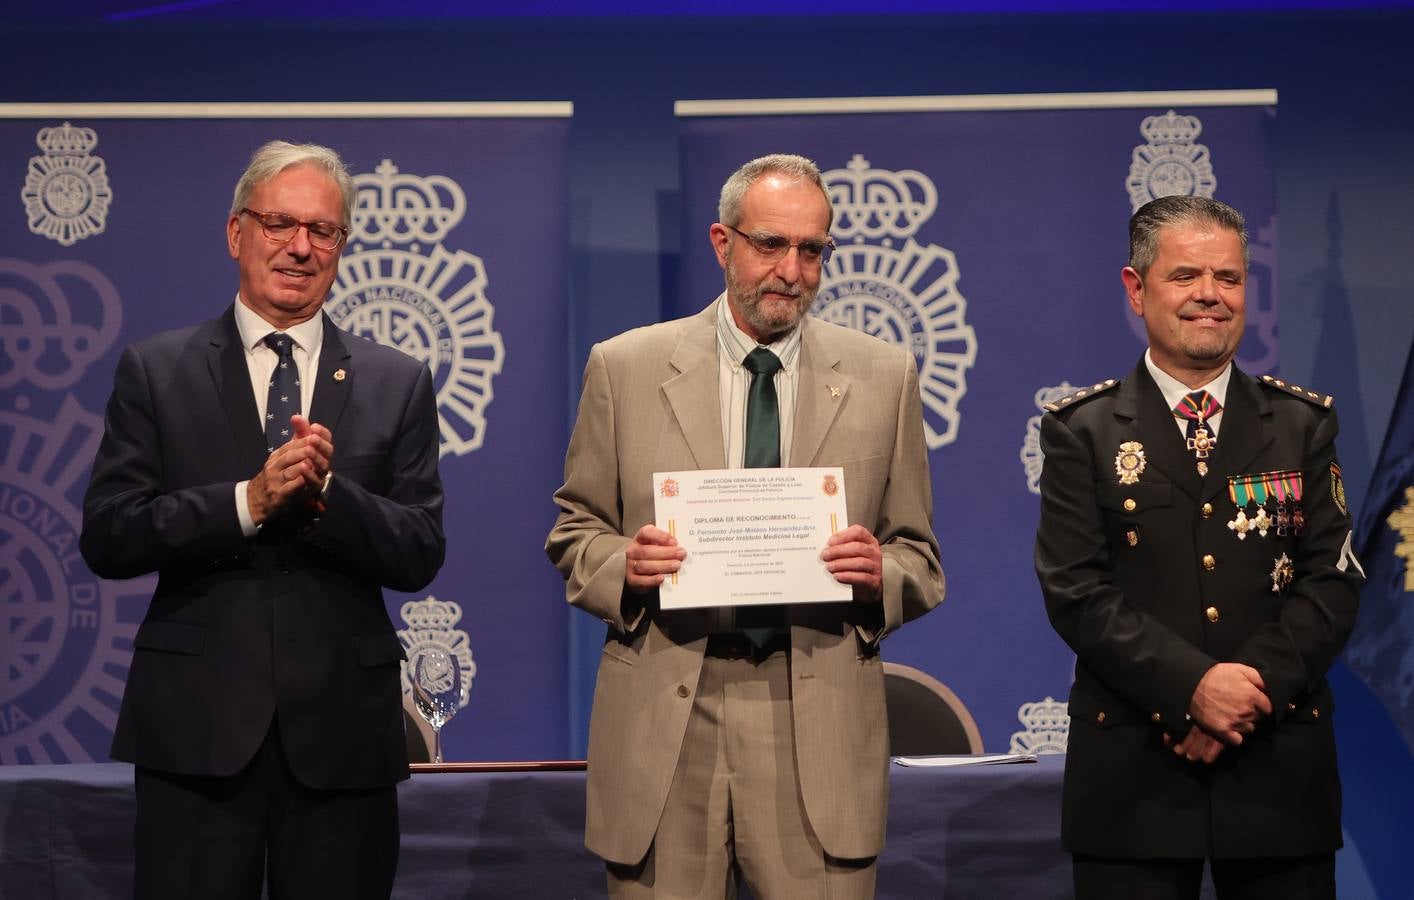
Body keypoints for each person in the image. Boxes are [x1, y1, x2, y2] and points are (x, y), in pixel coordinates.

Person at [546, 153, 944, 899]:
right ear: (722, 243)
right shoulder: (625, 367)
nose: (790, 270)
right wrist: (624, 565)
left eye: (811, 250)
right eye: (769, 244)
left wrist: (876, 574)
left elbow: (918, 557)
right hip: (671, 717)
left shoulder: (884, 376)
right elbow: (576, 531)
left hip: (814, 725)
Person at [81, 140, 445, 899]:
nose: (300, 247)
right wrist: (245, 503)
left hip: (342, 736)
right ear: (236, 233)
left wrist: (327, 499)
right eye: (280, 223)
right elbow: (110, 534)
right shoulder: (157, 369)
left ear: (342, 247)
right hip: (196, 732)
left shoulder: (396, 380)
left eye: (323, 231)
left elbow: (419, 551)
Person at [1034, 195, 1363, 900]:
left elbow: (1332, 583)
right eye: (1186, 276)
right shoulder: (1080, 430)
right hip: (1134, 781)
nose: (1210, 296)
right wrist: (1192, 689)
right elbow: (1076, 590)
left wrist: (1245, 694)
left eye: (1230, 278)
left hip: (1278, 771)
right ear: (1136, 288)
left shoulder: (1303, 423)